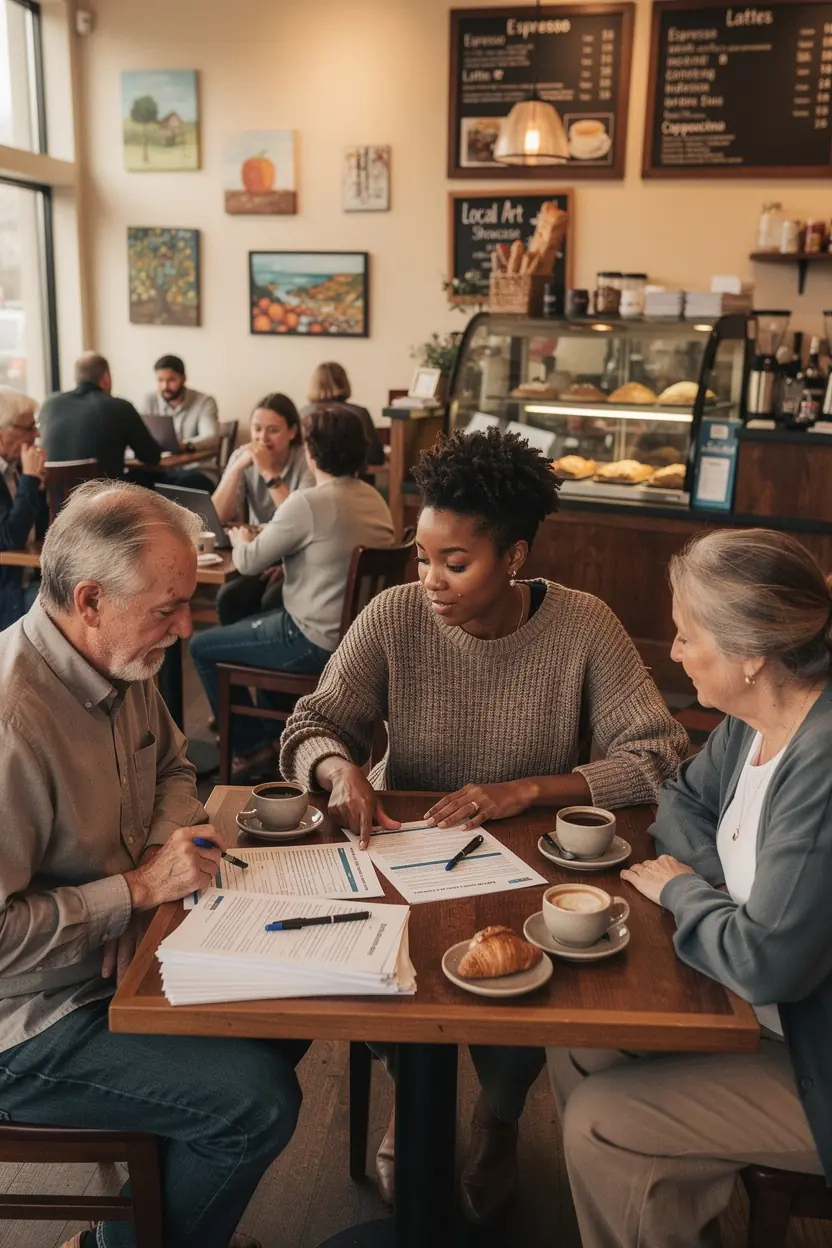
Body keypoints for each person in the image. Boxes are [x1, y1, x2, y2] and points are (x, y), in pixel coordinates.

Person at [279, 426, 688, 1223]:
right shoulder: (396, 614)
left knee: (523, 993)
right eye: (423, 557)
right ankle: (418, 1104)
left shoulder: (583, 625)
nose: (430, 580)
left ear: (514, 558)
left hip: (527, 865)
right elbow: (312, 722)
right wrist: (341, 768)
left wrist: (526, 788)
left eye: (454, 563)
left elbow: (661, 755)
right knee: (390, 981)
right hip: (402, 854)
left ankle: (497, 1120)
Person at [0, 481, 304, 1248]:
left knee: (292, 1012)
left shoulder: (117, 661)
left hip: (116, 960)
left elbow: (174, 768)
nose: (184, 627)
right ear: (91, 599)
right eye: (166, 608)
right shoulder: (12, 723)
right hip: (24, 1022)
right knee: (255, 1102)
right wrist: (133, 892)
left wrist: (142, 886)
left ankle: (133, 1225)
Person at [548, 528, 832, 1248]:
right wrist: (717, 888)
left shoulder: (821, 768)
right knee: (576, 1042)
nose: (672, 653)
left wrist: (684, 893)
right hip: (764, 1011)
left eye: (684, 636)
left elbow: (769, 960)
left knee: (599, 1125)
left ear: (750, 655)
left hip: (814, 1059)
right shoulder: (753, 719)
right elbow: (680, 795)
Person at [191, 405, 394, 775]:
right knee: (258, 613)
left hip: (311, 639)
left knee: (201, 646)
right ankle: (274, 736)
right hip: (357, 640)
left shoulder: (307, 502)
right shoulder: (374, 499)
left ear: (311, 452)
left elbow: (249, 562)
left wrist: (238, 537)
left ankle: (252, 748)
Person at [211, 393, 314, 626]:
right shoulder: (243, 456)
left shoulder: (305, 460)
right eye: (257, 429)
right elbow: (216, 518)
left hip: (298, 555)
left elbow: (298, 520)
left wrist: (268, 472)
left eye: (273, 430)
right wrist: (236, 469)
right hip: (260, 553)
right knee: (229, 597)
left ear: (292, 432)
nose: (262, 438)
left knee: (271, 599)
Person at [38, 352, 161, 482]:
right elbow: (152, 457)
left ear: (76, 379)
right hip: (104, 498)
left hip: (54, 498)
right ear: (106, 378)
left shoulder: (49, 404)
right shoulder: (120, 407)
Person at [0, 386, 46, 630]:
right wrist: (30, 480)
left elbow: (40, 533)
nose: (36, 434)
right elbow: (10, 537)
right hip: (9, 594)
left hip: (30, 582)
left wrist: (38, 484)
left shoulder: (16, 467)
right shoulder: (22, 472)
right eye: (29, 428)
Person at [142, 352, 220, 492]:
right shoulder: (150, 400)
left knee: (180, 486)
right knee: (133, 480)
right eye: (160, 380)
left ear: (183, 378)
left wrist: (185, 446)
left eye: (171, 380)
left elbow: (212, 438)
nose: (165, 386)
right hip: (160, 468)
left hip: (196, 470)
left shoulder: (204, 402)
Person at [302, 362, 385, 469]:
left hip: (311, 481)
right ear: (345, 383)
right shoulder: (360, 413)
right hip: (355, 481)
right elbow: (375, 456)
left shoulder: (303, 414)